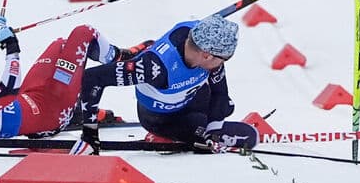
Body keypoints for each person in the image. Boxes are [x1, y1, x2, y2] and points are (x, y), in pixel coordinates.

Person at [0, 17, 134, 140]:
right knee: (83, 33)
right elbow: (6, 92)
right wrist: (11, 47)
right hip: (52, 113)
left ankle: (79, 105)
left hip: (33, 97)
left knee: (61, 45)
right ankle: (128, 59)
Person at [72, 14, 259, 155]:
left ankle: (207, 129)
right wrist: (90, 135)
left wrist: (214, 132)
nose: (224, 62)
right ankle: (128, 56)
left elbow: (220, 92)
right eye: (225, 58)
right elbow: (92, 78)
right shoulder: (154, 69)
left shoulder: (200, 35)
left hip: (188, 96)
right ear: (207, 54)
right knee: (197, 124)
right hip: (160, 118)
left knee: (224, 105)